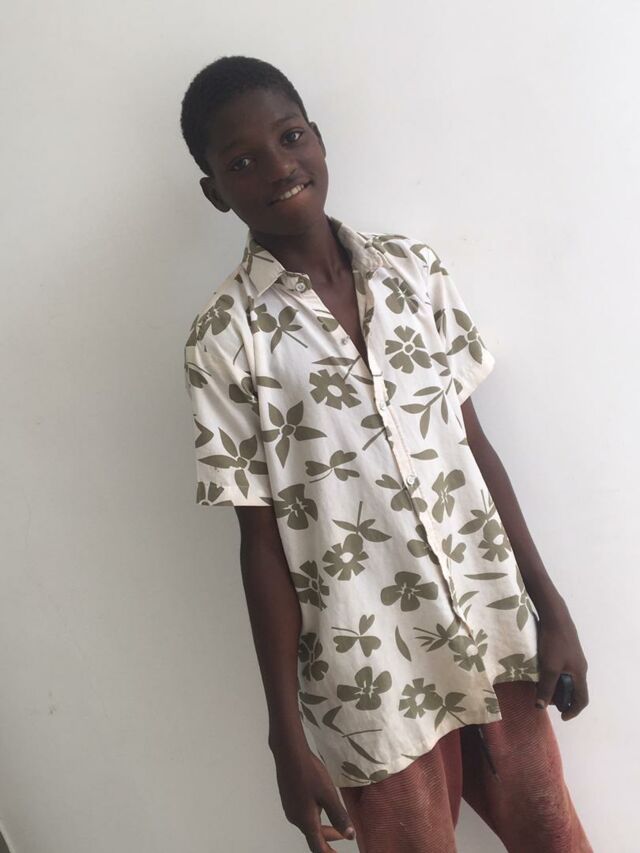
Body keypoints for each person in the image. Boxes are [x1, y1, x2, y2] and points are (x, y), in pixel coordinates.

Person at [179, 55, 593, 852]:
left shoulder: (412, 272)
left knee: (554, 834)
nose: (278, 166)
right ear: (214, 190)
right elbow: (259, 543)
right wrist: (285, 737)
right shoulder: (224, 339)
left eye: (289, 137)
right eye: (242, 161)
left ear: (317, 137)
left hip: (492, 627)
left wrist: (553, 608)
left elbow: (473, 446)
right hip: (370, 676)